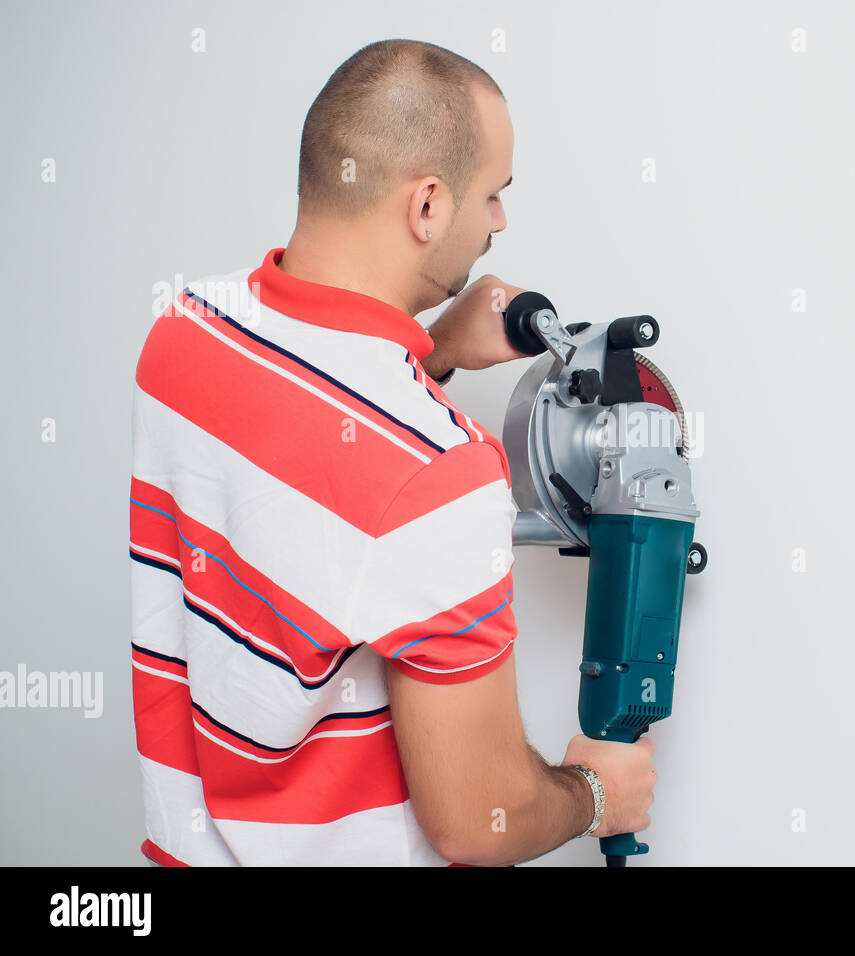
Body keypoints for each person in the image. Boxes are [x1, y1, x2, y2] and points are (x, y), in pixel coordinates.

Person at [129, 38, 656, 867]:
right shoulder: (439, 474)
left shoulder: (186, 327)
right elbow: (479, 819)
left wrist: (427, 352)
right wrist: (597, 792)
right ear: (427, 206)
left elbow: (311, 448)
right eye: (493, 194)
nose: (499, 222)